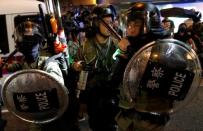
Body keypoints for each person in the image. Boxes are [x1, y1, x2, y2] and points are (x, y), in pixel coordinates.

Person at [107, 2, 172, 131]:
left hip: (150, 117)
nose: (131, 29)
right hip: (127, 115)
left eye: (136, 24)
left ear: (150, 23)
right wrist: (124, 53)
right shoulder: (129, 45)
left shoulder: (163, 47)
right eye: (129, 24)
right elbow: (115, 78)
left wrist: (132, 52)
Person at [72, 4, 119, 131]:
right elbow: (75, 62)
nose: (110, 26)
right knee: (96, 125)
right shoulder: (85, 45)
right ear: (96, 23)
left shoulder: (118, 44)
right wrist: (77, 65)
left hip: (113, 94)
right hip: (93, 95)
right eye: (106, 23)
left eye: (111, 22)